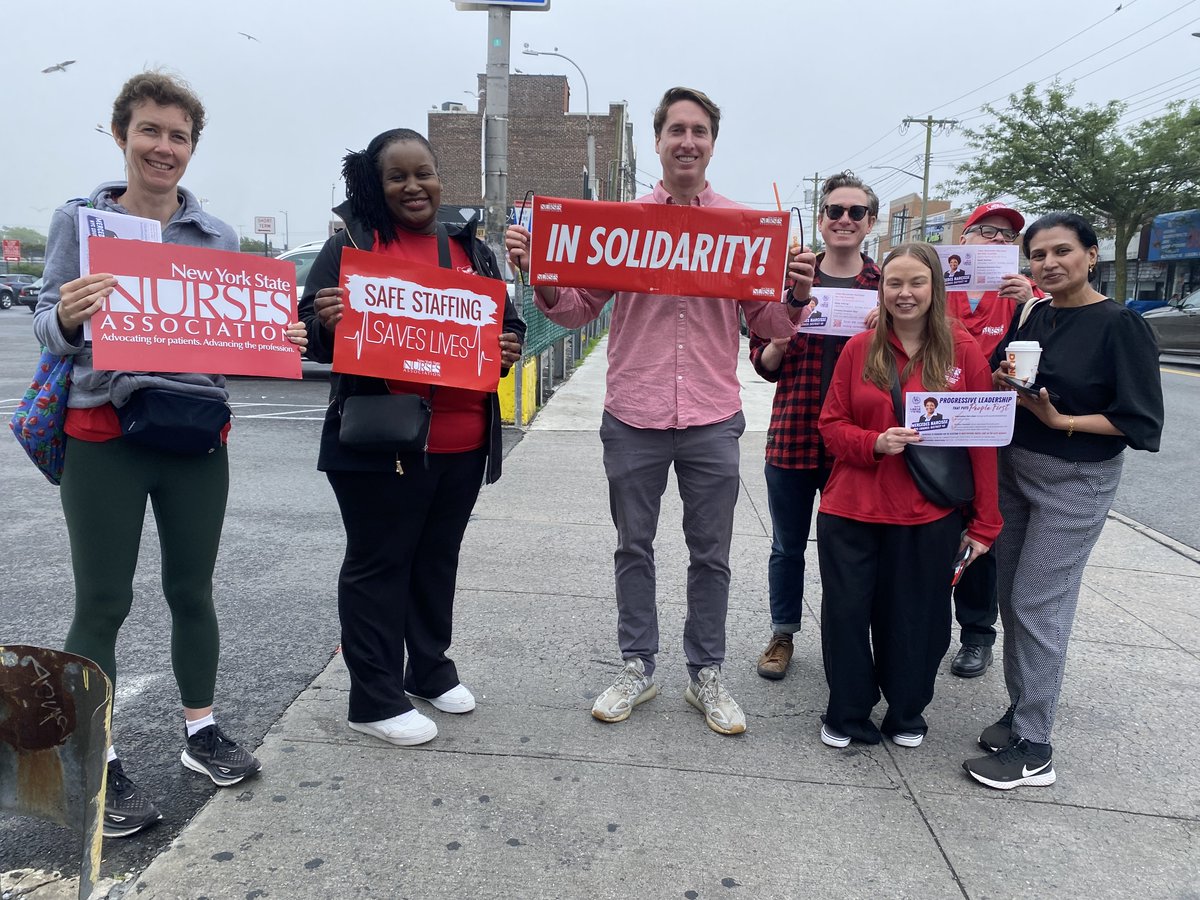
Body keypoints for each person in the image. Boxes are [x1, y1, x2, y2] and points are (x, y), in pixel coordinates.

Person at [32, 71, 306, 838]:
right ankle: (96, 759)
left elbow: (226, 342)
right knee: (104, 602)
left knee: (194, 589)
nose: (163, 147)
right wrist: (68, 314)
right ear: (121, 135)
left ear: (191, 148)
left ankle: (201, 733)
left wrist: (276, 343)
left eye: (177, 135)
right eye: (149, 130)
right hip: (103, 435)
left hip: (193, 435)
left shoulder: (215, 237)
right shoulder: (80, 221)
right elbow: (48, 329)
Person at [505, 86, 812, 735]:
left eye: (699, 130)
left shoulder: (742, 229)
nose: (687, 141)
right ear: (659, 141)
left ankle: (706, 672)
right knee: (633, 547)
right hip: (634, 411)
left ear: (711, 142)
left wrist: (798, 294)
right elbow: (577, 308)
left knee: (713, 554)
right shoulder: (620, 224)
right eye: (676, 129)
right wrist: (542, 275)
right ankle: (638, 666)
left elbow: (768, 322)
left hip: (709, 413)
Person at [299, 128, 525, 749]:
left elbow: (506, 327)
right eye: (396, 176)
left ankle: (427, 667)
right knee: (379, 565)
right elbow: (304, 332)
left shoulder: (469, 249)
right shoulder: (353, 244)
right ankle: (372, 697)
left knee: (436, 560)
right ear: (378, 184)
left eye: (421, 172)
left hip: (462, 442)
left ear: (439, 176)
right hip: (381, 444)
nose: (412, 186)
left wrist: (509, 346)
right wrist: (325, 321)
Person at [962, 213, 1163, 789]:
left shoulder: (1120, 324)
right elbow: (998, 369)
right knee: (1009, 597)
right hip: (1016, 471)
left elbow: (1139, 420)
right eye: (1039, 254)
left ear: (1092, 254)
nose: (1049, 263)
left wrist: (1060, 418)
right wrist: (1005, 378)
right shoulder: (1035, 313)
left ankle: (1036, 748)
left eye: (1062, 251)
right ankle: (1021, 712)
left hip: (1075, 480)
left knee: (1037, 605)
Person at [815, 242, 1001, 749]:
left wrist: (986, 522)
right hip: (852, 508)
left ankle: (906, 711)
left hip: (927, 513)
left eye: (916, 282)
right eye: (894, 282)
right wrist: (873, 442)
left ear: (935, 288)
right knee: (848, 616)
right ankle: (847, 713)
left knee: (919, 619)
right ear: (881, 288)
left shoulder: (964, 353)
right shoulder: (859, 348)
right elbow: (831, 425)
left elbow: (981, 440)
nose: (904, 293)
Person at [748, 171, 880, 680]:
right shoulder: (793, 280)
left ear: (869, 222)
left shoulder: (883, 286)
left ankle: (846, 633)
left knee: (850, 546)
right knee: (787, 545)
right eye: (835, 211)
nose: (844, 220)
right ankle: (783, 632)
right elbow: (763, 361)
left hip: (857, 440)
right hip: (794, 432)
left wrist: (883, 329)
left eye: (856, 212)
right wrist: (782, 335)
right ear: (821, 219)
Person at [944, 202, 1043, 679]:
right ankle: (920, 622)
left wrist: (1031, 301)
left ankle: (977, 633)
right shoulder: (937, 286)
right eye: (986, 231)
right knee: (929, 525)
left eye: (1007, 237)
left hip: (993, 430)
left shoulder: (1024, 296)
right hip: (936, 426)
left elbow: (1053, 342)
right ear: (963, 241)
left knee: (982, 529)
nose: (998, 242)